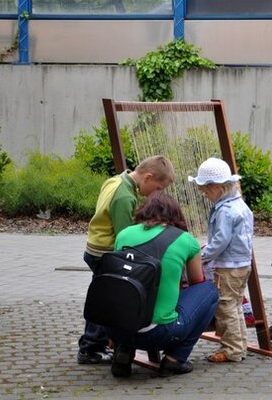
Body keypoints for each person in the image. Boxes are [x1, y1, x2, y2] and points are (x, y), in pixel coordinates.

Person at [108, 192, 219, 377]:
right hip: (158, 334)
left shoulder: (124, 234)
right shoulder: (185, 240)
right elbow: (196, 283)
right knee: (209, 292)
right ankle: (175, 359)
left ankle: (124, 351)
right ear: (176, 214)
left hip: (116, 328)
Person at [77, 155, 175, 365]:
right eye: (158, 188)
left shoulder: (116, 180)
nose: (156, 194)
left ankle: (95, 344)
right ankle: (91, 347)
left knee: (105, 296)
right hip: (106, 252)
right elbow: (124, 238)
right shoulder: (125, 198)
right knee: (109, 301)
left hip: (94, 247)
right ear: (147, 177)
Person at [188, 157, 254, 363]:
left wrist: (203, 257)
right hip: (242, 263)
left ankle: (231, 350)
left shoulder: (225, 211)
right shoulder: (240, 204)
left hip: (228, 266)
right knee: (235, 305)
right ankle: (240, 344)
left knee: (225, 307)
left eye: (206, 191)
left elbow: (221, 240)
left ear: (217, 187)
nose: (205, 195)